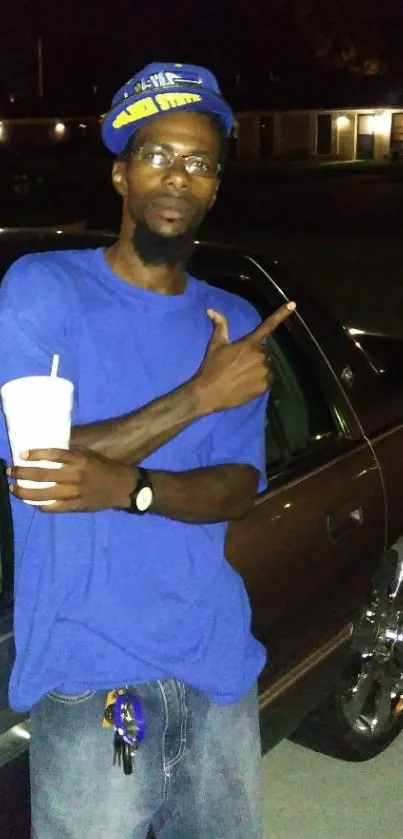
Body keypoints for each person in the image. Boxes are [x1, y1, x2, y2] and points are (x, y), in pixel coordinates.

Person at [0, 62, 295, 839]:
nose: (178, 175)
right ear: (121, 174)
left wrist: (128, 486)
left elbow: (236, 488)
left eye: (199, 162)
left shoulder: (231, 322)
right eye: (158, 154)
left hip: (218, 663)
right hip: (96, 682)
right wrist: (200, 395)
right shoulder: (44, 288)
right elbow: (34, 466)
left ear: (215, 187)